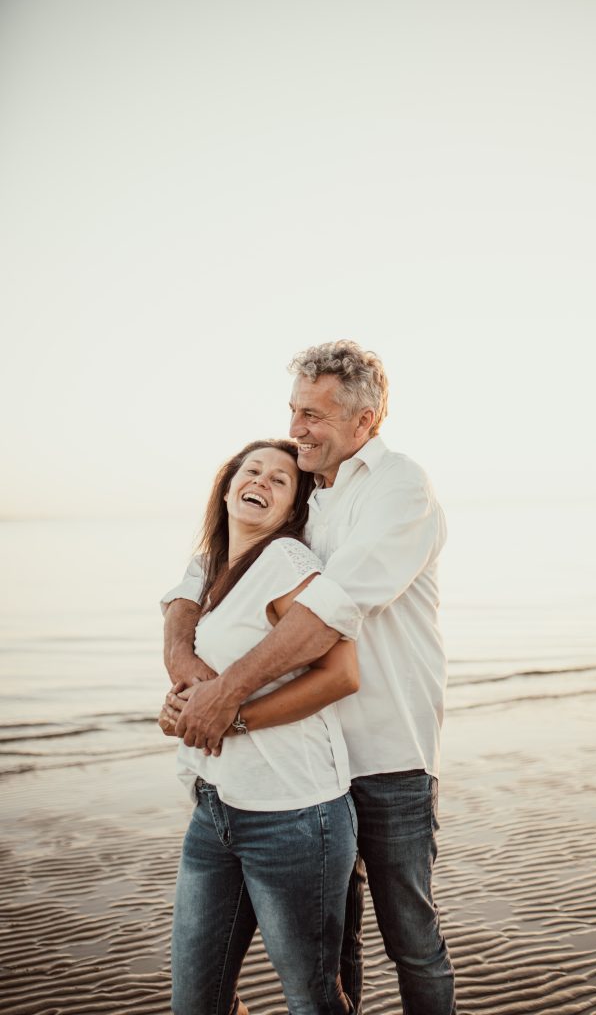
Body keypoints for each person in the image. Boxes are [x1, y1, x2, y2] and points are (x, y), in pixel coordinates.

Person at [164, 342, 456, 1015]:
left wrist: (223, 699)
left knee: (410, 939)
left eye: (315, 416)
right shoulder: (302, 494)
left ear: (366, 421)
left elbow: (333, 609)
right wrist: (187, 677)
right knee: (335, 952)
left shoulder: (397, 487)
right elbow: (195, 583)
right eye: (294, 411)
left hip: (385, 755)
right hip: (303, 770)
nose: (298, 429)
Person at [160, 438, 360, 1015]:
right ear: (227, 486)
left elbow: (342, 673)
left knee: (312, 1000)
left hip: (295, 815)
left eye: (280, 480)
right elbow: (181, 621)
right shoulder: (206, 567)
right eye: (253, 471)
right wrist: (181, 705)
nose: (263, 482)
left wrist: (233, 715)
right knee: (196, 1001)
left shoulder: (287, 562)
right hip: (214, 807)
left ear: (292, 509)